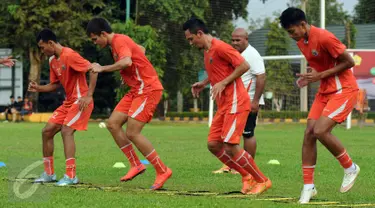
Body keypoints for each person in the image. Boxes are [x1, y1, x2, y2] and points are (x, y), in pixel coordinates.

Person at [279, 7, 360, 204]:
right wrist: (308, 78)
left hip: (344, 89)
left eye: (292, 31)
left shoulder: (325, 37)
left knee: (320, 130)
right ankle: (308, 187)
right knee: (309, 133)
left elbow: (349, 62)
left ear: (303, 24)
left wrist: (319, 75)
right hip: (325, 90)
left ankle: (350, 167)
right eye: (288, 32)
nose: (291, 36)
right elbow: (322, 64)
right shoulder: (301, 42)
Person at [183, 17, 271, 195]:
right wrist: (204, 82)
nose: (191, 43)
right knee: (213, 144)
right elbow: (221, 71)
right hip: (224, 104)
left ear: (200, 33)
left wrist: (223, 83)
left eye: (191, 39)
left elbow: (243, 65)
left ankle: (262, 180)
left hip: (236, 101)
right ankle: (246, 176)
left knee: (231, 146)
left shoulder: (221, 47)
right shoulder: (207, 52)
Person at [86, 17, 172, 190]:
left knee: (132, 132)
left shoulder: (119, 41)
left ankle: (162, 170)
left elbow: (126, 61)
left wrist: (102, 68)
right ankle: (136, 164)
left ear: (103, 34)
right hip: (136, 89)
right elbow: (140, 49)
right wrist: (131, 73)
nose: (95, 43)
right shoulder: (115, 44)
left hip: (147, 88)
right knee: (113, 124)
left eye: (95, 39)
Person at [28, 28, 98, 186]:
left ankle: (71, 175)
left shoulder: (70, 55)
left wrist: (88, 95)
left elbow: (93, 69)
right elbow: (55, 85)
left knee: (67, 131)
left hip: (81, 101)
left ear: (51, 43)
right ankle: (49, 174)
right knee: (47, 131)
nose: (42, 50)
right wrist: (38, 88)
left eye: (42, 47)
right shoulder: (52, 60)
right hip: (68, 102)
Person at [213, 28, 266, 175]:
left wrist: (255, 101)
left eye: (238, 40)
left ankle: (249, 165)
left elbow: (261, 77)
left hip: (248, 100)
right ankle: (231, 165)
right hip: (234, 100)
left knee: (247, 133)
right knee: (228, 134)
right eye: (233, 40)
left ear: (246, 39)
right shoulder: (234, 53)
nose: (235, 43)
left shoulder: (252, 54)